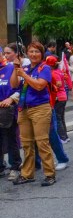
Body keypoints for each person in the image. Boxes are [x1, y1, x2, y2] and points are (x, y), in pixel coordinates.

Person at [10, 42, 56, 186]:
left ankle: (49, 174)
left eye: (37, 51)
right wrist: (15, 68)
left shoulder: (45, 68)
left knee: (42, 142)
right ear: (27, 54)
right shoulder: (24, 68)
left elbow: (39, 85)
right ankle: (27, 174)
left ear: (41, 54)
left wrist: (23, 74)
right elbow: (13, 84)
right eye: (31, 51)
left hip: (40, 108)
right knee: (26, 143)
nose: (33, 54)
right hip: (23, 108)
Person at [44, 55, 70, 171]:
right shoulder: (56, 71)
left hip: (55, 100)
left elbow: (58, 85)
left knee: (54, 128)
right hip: (57, 99)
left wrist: (50, 84)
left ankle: (62, 156)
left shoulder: (53, 73)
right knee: (60, 119)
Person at [2, 43, 23, 181]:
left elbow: (20, 88)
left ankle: (15, 166)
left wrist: (10, 99)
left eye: (7, 53)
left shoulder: (12, 68)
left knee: (11, 139)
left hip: (9, 110)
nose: (6, 55)